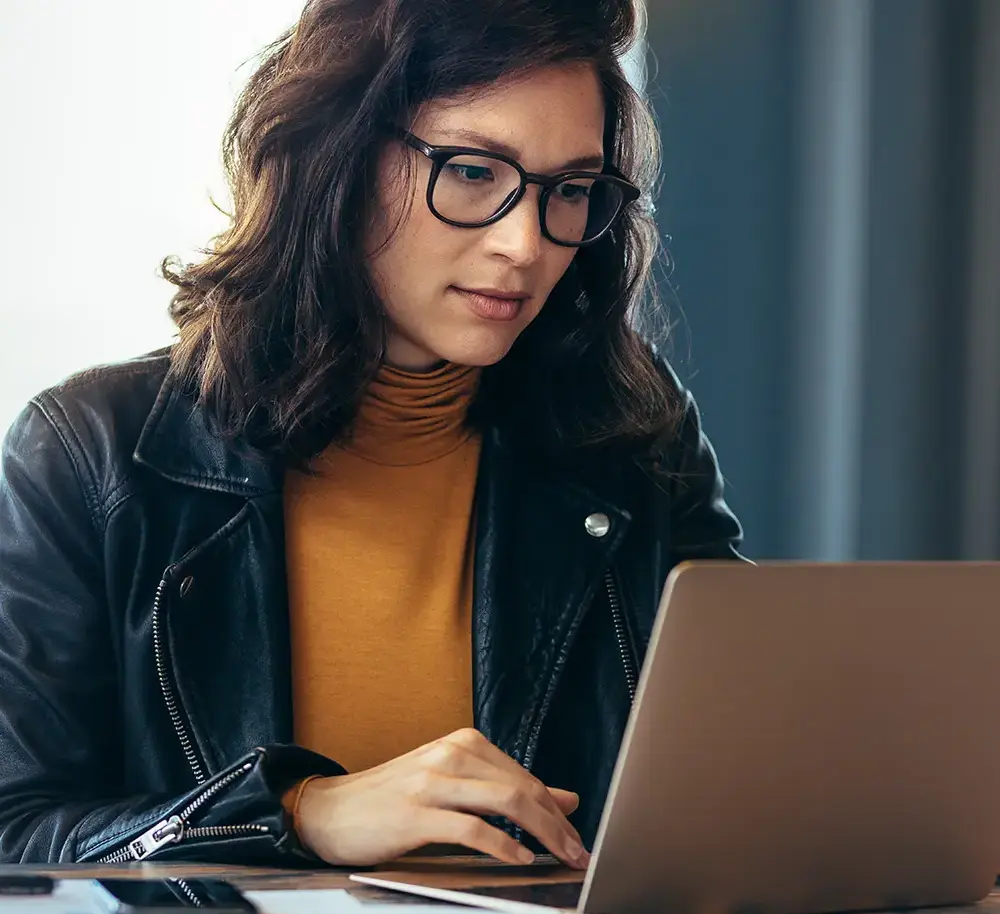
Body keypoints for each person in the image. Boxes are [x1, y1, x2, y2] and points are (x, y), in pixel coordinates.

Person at [0, 0, 743, 868]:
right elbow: (16, 834)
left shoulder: (633, 440)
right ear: (336, 159)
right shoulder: (92, 453)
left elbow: (746, 772)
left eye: (570, 191)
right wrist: (301, 812)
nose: (525, 243)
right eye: (473, 172)